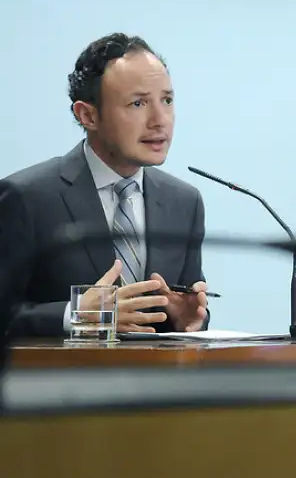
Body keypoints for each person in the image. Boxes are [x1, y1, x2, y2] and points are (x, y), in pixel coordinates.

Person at [0, 33, 210, 338]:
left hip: (159, 383)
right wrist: (75, 316)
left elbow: (186, 312)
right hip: (60, 382)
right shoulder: (25, 197)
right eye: (137, 103)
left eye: (167, 100)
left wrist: (190, 317)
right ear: (88, 115)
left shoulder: (184, 202)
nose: (159, 120)